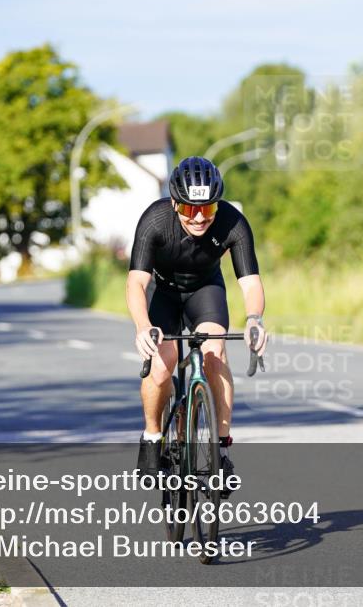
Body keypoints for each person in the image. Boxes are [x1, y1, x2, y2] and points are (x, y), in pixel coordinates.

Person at [127, 156, 269, 486]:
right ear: (175, 203)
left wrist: (254, 319)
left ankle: (219, 450)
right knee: (161, 365)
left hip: (205, 290)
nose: (200, 217)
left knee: (215, 355)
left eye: (208, 208)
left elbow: (250, 282)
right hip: (161, 292)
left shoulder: (233, 223)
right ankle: (151, 437)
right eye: (191, 209)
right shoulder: (155, 220)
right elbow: (136, 282)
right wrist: (141, 326)